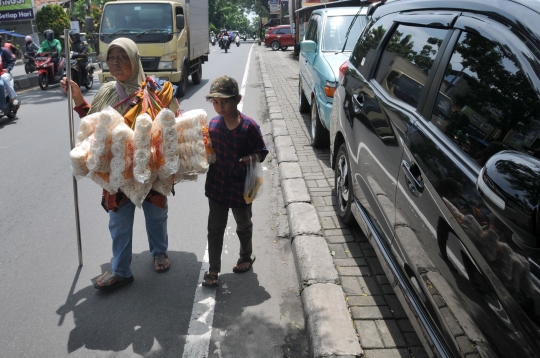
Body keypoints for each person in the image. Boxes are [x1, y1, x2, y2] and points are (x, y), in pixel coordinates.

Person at [60, 38, 180, 291]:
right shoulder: (107, 92)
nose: (115, 62)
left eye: (122, 57)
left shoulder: (158, 90)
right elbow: (94, 125)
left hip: (152, 170)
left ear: (135, 60)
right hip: (117, 170)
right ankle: (121, 270)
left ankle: (159, 251)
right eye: (111, 57)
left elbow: (174, 125)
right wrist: (78, 97)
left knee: (157, 215)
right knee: (118, 222)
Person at [202, 76, 268, 287]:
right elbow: (206, 151)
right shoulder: (212, 126)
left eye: (225, 101)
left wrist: (244, 160)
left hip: (242, 187)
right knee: (215, 228)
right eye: (215, 102)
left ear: (237, 99)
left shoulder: (249, 127)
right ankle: (213, 269)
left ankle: (246, 256)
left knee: (243, 224)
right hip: (217, 187)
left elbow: (262, 153)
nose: (219, 107)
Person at [0, 39, 17, 116]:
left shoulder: (4, 51)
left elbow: (11, 61)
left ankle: (12, 99)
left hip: (4, 73)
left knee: (2, 82)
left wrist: (8, 69)